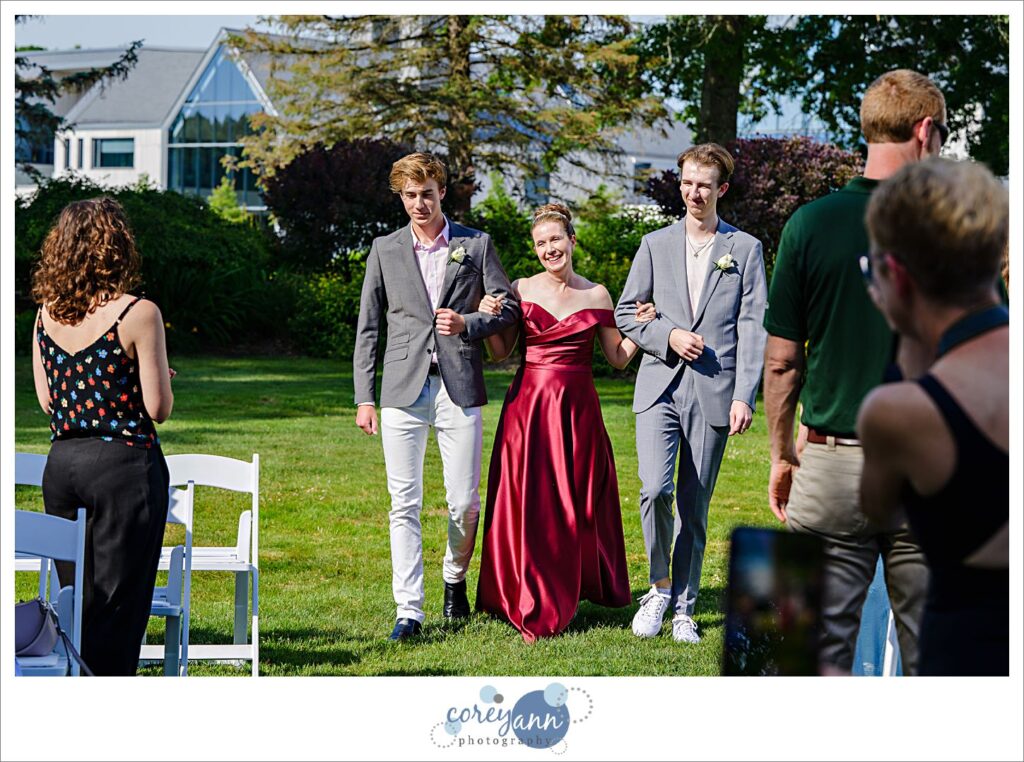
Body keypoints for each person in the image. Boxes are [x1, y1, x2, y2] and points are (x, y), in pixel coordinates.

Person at [762, 69, 945, 674]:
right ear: (924, 131)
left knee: (798, 655)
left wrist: (781, 455)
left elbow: (782, 362)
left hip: (830, 463)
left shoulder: (809, 224)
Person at [353, 152, 520, 641]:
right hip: (401, 388)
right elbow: (368, 327)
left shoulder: (476, 244)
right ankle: (409, 611)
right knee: (403, 502)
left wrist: (469, 322)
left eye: (427, 194)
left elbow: (508, 308)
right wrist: (365, 397)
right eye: (410, 196)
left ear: (442, 192)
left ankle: (454, 576)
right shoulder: (384, 249)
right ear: (400, 197)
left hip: (458, 384)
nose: (419, 204)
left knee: (464, 502)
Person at [472, 204, 653, 642]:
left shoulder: (598, 294)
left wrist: (642, 329)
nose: (549, 248)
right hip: (529, 410)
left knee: (577, 502)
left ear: (572, 240)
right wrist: (486, 314)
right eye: (541, 243)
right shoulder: (520, 288)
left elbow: (617, 358)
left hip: (577, 411)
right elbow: (500, 353)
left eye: (555, 239)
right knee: (530, 501)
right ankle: (527, 593)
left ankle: (572, 586)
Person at [857, 157, 1008, 675]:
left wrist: (906, 344)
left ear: (895, 275)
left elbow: (876, 508)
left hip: (969, 651)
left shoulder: (900, 412)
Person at [615, 143, 768, 643]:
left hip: (715, 389)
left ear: (722, 188)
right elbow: (626, 312)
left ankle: (684, 607)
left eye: (704, 184)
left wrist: (744, 394)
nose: (694, 192)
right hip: (658, 386)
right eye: (687, 183)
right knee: (654, 489)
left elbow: (753, 327)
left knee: (693, 506)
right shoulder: (654, 244)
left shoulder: (744, 249)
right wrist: (668, 335)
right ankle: (659, 588)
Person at [30, 197, 174, 675]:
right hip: (122, 469)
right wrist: (159, 378)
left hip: (63, 466)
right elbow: (158, 408)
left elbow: (49, 401)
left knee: (76, 605)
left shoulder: (46, 314)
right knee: (116, 611)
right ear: (117, 246)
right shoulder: (138, 313)